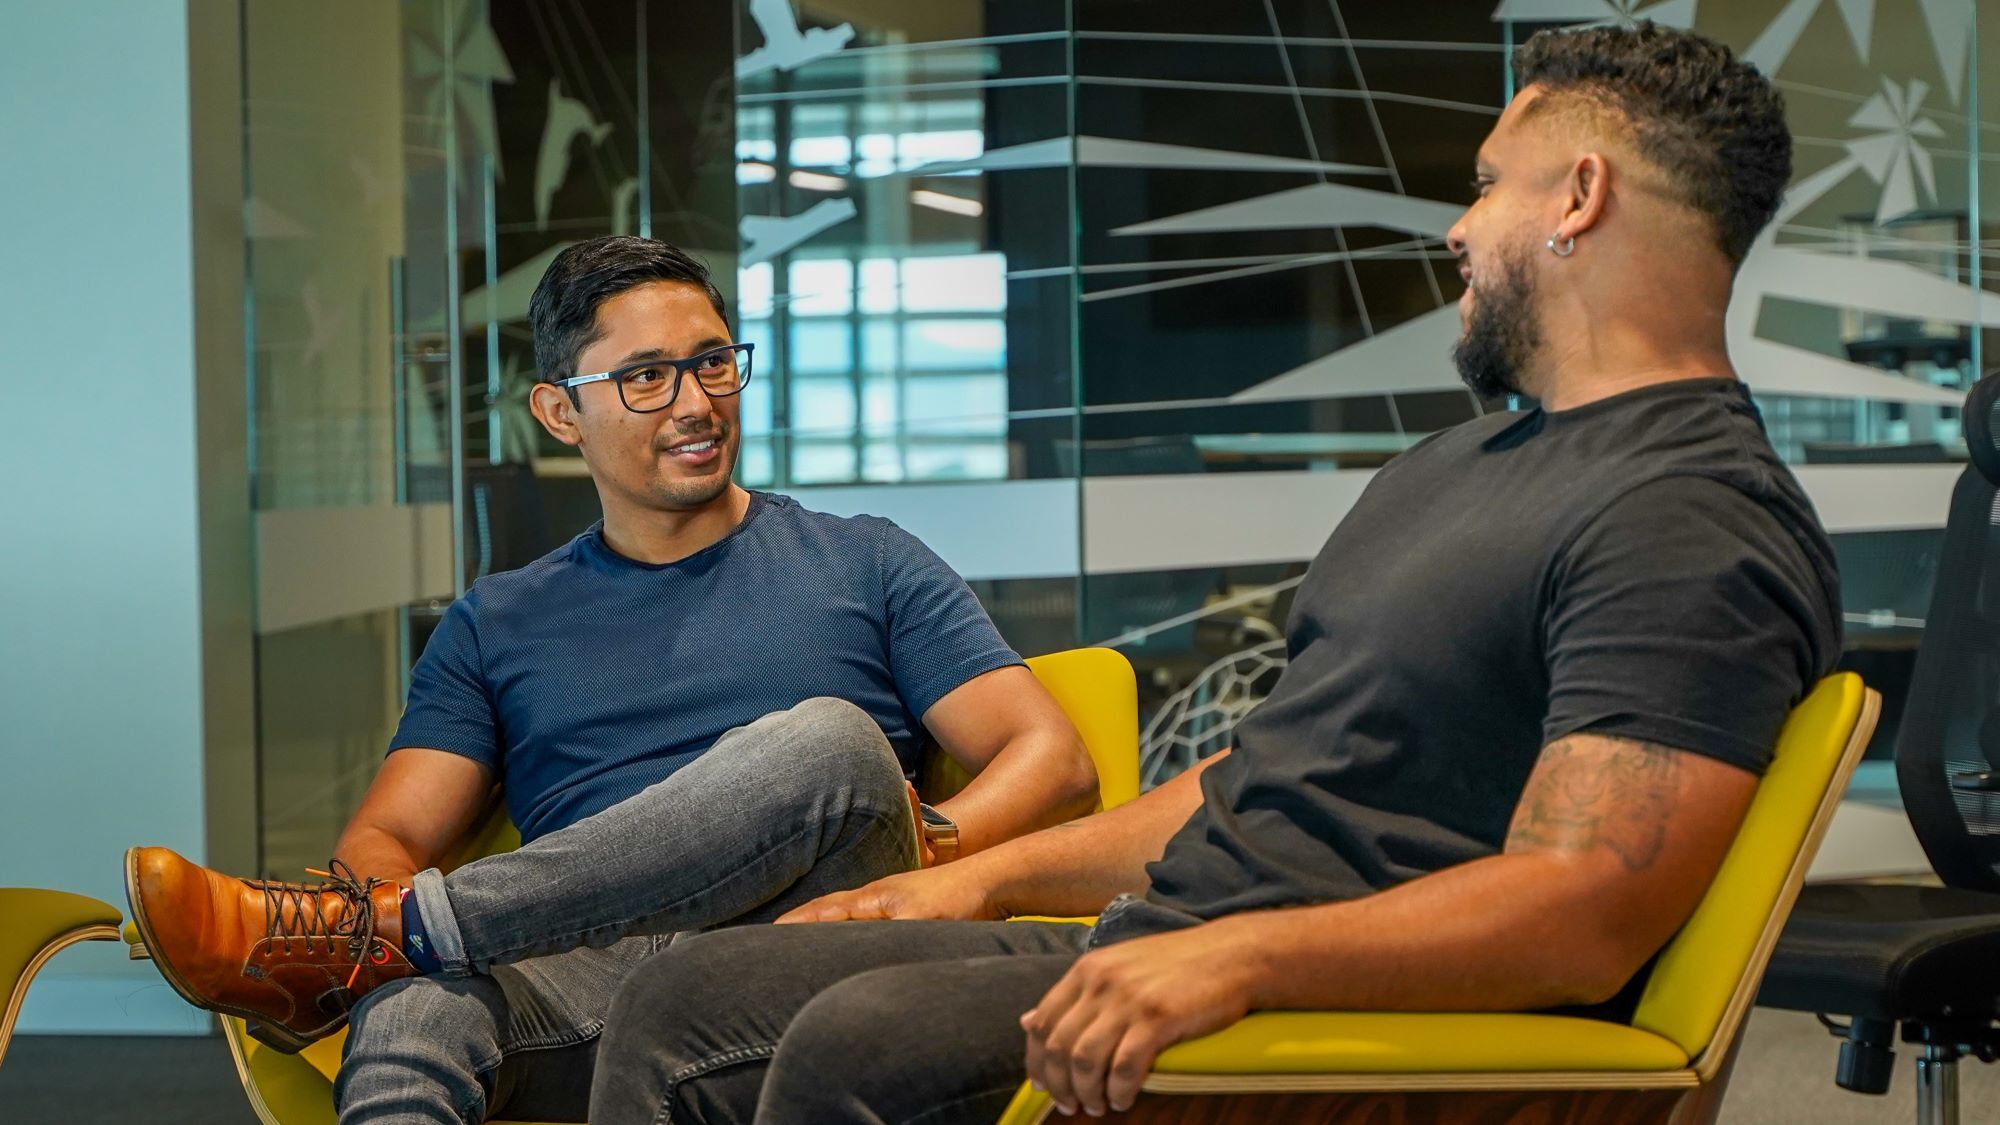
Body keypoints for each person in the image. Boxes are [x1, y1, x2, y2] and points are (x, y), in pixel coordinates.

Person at [584, 22, 1842, 1125]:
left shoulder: (1687, 513)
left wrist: (1235, 962)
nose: (1458, 228)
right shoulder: (1448, 468)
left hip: (1322, 1021)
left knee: (863, 1052)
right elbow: (1255, 785)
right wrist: (969, 879)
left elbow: (1585, 910)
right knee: (686, 990)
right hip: (1177, 940)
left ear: (1577, 195)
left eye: (1484, 186)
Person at [122, 236, 1100, 1125]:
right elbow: (385, 833)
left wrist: (934, 852)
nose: (694, 403)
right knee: (414, 1008)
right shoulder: (497, 622)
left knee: (830, 742)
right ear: (559, 410)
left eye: (712, 362)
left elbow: (1051, 760)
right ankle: (397, 946)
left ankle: (381, 933)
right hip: (595, 970)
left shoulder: (864, 561)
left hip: (814, 946)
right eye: (643, 377)